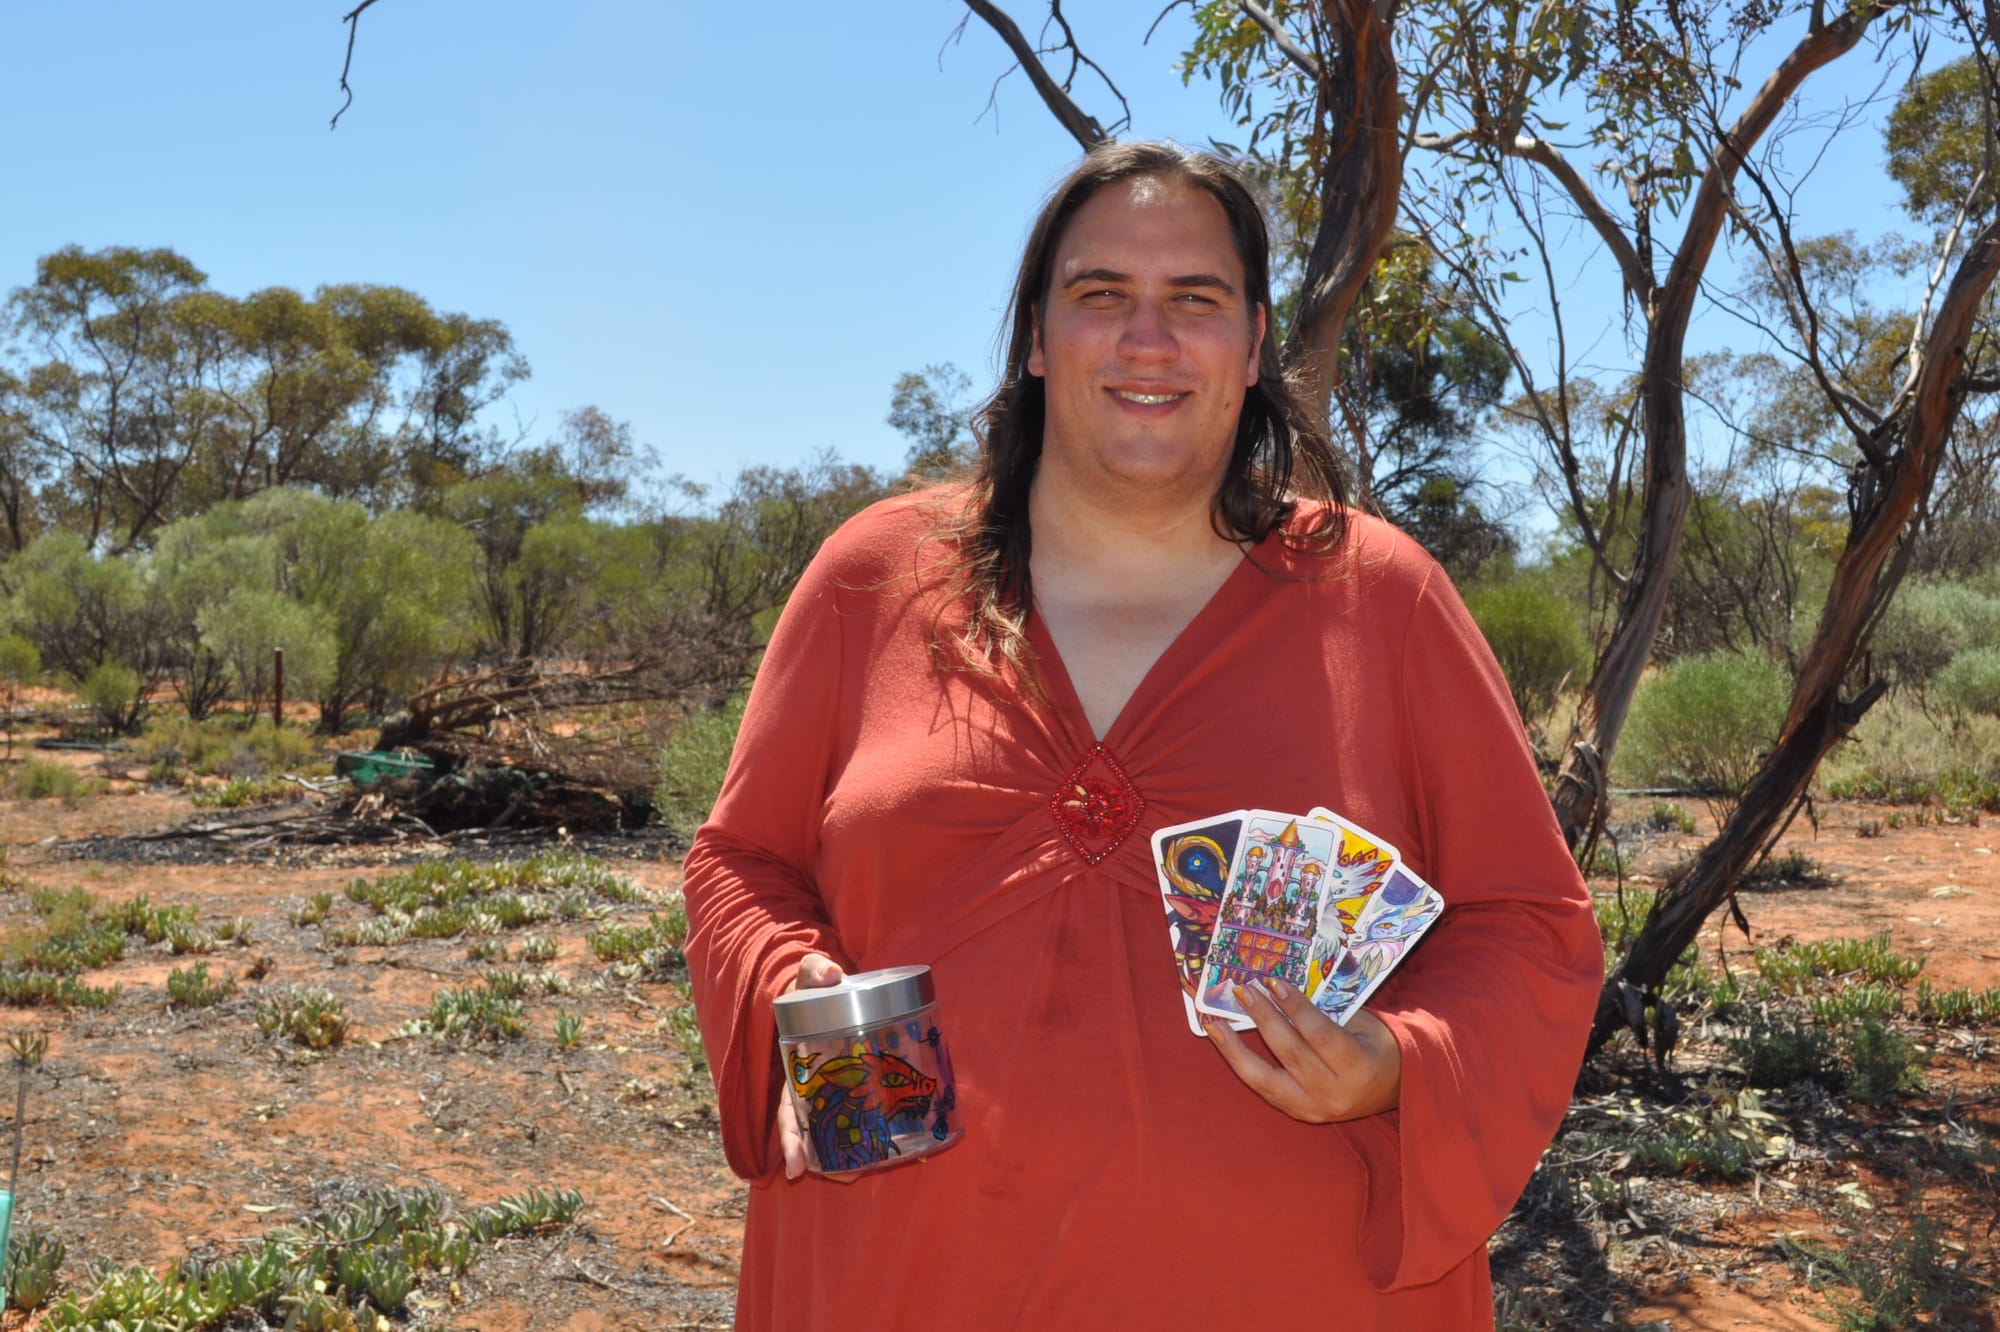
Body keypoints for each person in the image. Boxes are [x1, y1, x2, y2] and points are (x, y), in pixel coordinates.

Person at [682, 140, 1603, 1330]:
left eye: (1195, 300)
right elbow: (737, 864)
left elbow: (1529, 928)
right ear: (1034, 337)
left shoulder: (1384, 601)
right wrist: (784, 985)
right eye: (1100, 295)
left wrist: (1396, 1062)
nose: (1147, 339)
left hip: (1289, 1292)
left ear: (1256, 342)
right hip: (896, 1279)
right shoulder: (872, 577)